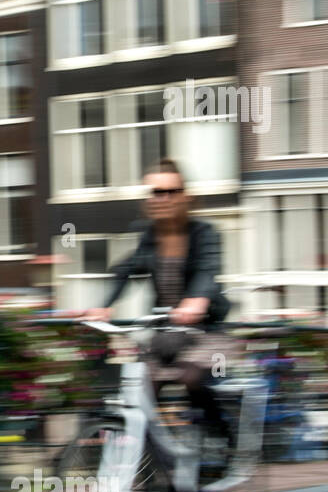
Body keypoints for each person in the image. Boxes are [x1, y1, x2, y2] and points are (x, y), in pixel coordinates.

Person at [84, 158, 232, 447]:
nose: (163, 198)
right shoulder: (149, 237)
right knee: (140, 389)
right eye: (156, 192)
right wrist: (104, 306)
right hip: (167, 335)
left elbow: (207, 270)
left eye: (171, 191)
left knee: (192, 378)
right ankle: (158, 465)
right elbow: (125, 270)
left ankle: (219, 437)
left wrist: (197, 301)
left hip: (207, 333)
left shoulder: (205, 234)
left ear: (185, 196)